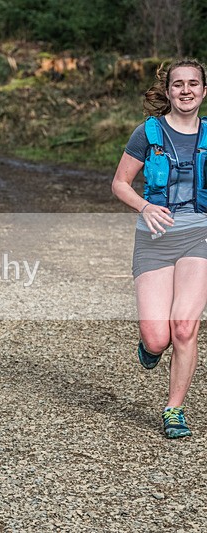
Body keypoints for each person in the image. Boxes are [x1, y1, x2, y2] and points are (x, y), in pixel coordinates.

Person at [111, 59, 207, 439]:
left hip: (201, 237)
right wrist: (145, 207)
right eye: (178, 84)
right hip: (154, 240)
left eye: (193, 84)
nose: (186, 90)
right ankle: (150, 347)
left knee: (185, 327)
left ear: (204, 91)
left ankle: (174, 410)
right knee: (157, 337)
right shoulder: (146, 134)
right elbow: (120, 183)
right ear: (168, 92)